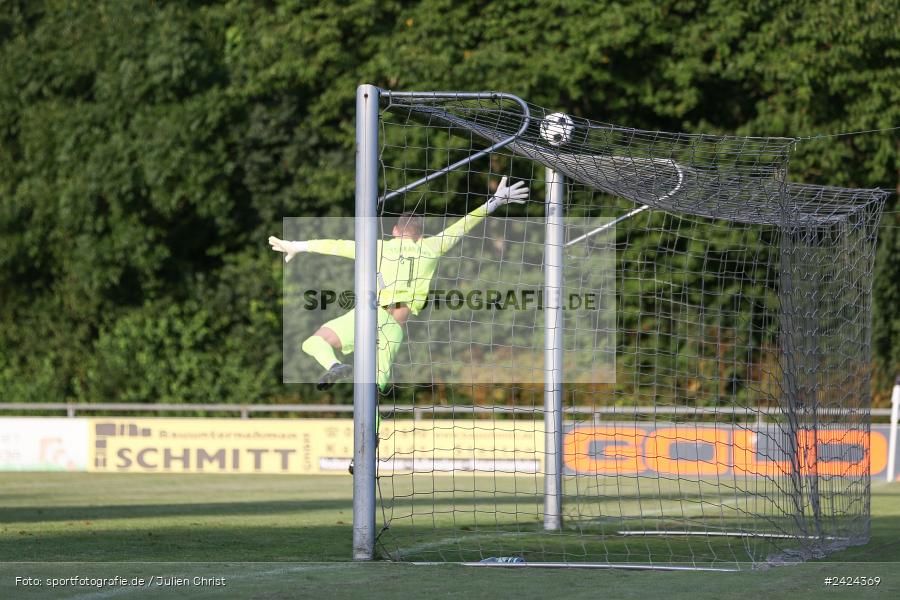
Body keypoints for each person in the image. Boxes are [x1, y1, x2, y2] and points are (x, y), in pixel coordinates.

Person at [269, 177, 529, 391]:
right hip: (394, 325)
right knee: (373, 390)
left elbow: (336, 245)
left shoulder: (378, 248)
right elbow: (462, 226)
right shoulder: (431, 247)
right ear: (421, 234)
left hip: (368, 315)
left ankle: (333, 365)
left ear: (395, 230)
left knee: (315, 342)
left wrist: (297, 246)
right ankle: (371, 445)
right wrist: (495, 201)